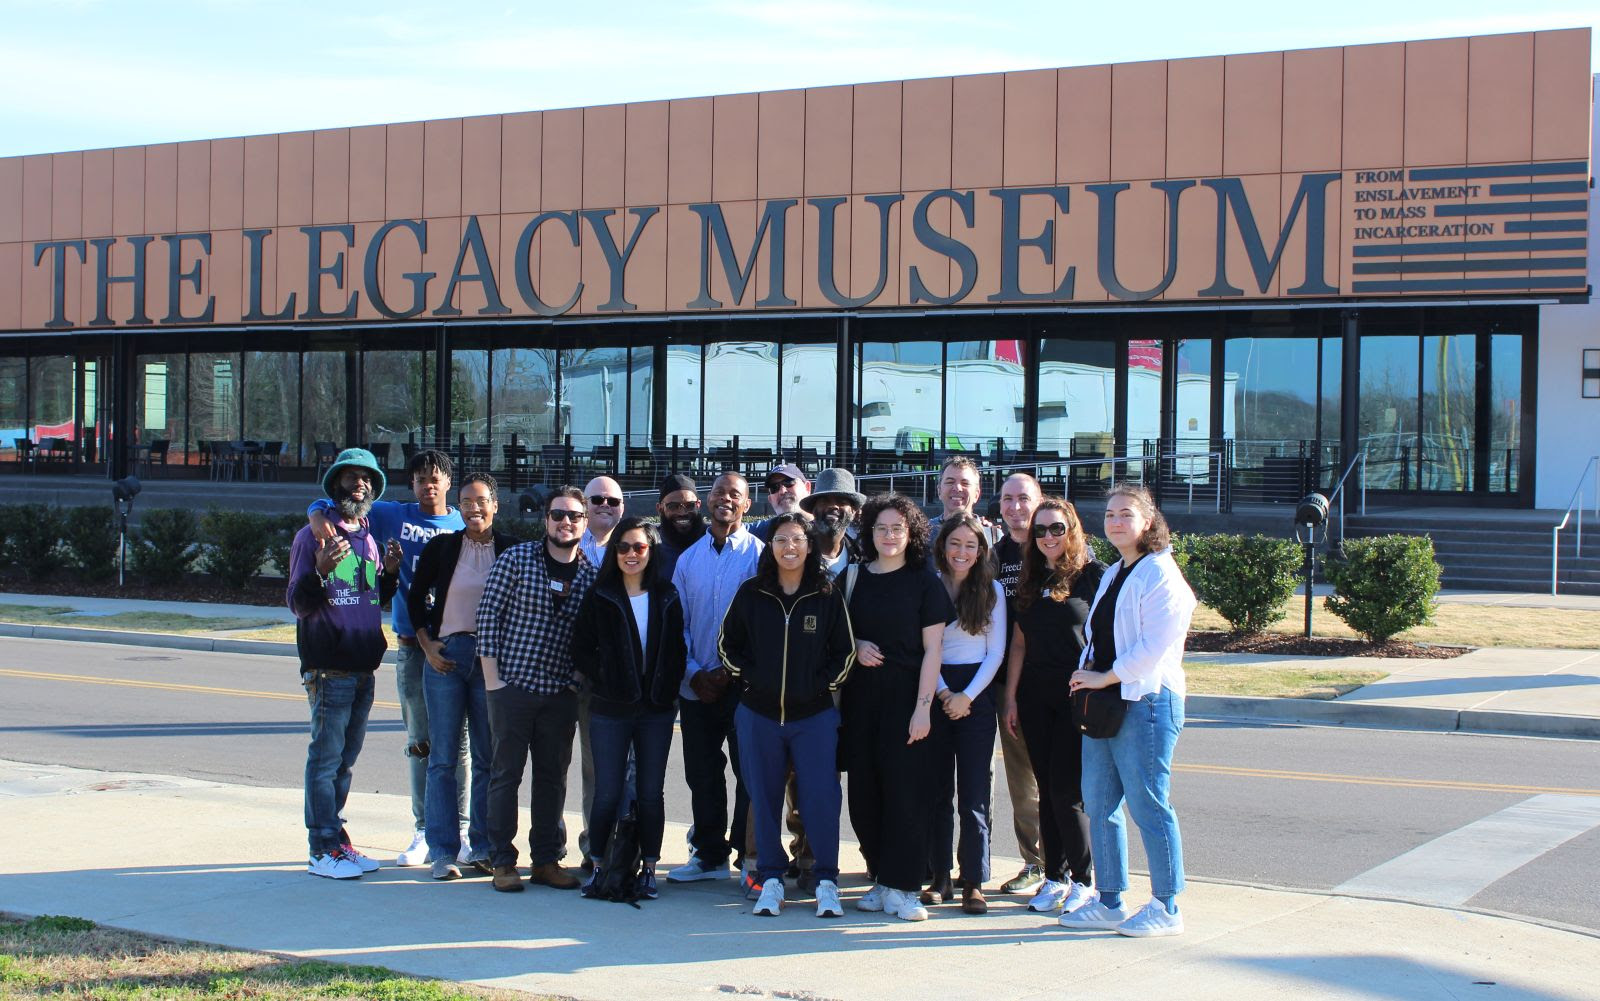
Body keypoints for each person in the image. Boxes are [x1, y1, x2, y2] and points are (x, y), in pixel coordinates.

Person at [307, 448, 465, 868]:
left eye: (435, 478)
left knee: (459, 744)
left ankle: (461, 827)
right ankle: (423, 830)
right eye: (420, 479)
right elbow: (336, 505)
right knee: (419, 742)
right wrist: (315, 513)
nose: (428, 485)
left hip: (456, 644)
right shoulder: (391, 515)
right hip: (412, 646)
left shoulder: (465, 521)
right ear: (411, 486)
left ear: (448, 483)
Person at [1059, 483, 1196, 938]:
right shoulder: (1118, 571)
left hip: (1148, 701)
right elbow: (1100, 636)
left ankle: (1166, 906)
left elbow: (1154, 648)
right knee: (1099, 803)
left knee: (1149, 805)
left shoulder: (1161, 574)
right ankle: (1109, 900)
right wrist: (1086, 673)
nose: (1116, 521)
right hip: (1106, 703)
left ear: (1148, 522)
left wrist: (1104, 675)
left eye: (1126, 514)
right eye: (1110, 514)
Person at [719, 513, 856, 919]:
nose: (789, 547)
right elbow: (728, 645)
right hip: (758, 715)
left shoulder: (827, 594)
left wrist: (819, 688)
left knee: (820, 799)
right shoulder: (751, 593)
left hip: (813, 717)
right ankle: (771, 878)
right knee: (763, 798)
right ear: (771, 546)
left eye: (798, 539)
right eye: (781, 539)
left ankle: (827, 880)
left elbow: (844, 653)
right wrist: (751, 681)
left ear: (809, 546)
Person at [286, 448, 400, 879]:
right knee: (325, 759)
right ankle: (321, 848)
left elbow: (372, 600)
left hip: (362, 669)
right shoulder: (311, 537)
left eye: (367, 479)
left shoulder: (367, 537)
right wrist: (318, 568)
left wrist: (388, 573)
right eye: (352, 478)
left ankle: (337, 839)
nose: (361, 485)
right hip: (328, 668)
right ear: (336, 485)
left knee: (344, 762)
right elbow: (299, 603)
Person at [477, 486, 597, 893]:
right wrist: (494, 681)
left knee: (552, 779)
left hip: (560, 694)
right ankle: (502, 862)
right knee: (505, 775)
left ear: (584, 522)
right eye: (559, 514)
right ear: (546, 519)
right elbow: (488, 615)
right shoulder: (517, 559)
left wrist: (575, 682)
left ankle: (546, 860)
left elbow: (591, 638)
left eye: (575, 516)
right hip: (512, 687)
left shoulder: (589, 575)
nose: (567, 522)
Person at [844, 494, 952, 922]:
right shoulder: (852, 578)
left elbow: (934, 650)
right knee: (865, 797)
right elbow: (834, 638)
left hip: (908, 702)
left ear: (911, 534)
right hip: (860, 704)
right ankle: (883, 880)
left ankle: (905, 888)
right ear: (869, 533)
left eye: (897, 529)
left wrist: (923, 708)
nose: (889, 536)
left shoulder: (924, 582)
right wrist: (856, 645)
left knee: (906, 797)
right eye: (881, 528)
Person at [406, 473, 518, 880]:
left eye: (481, 500)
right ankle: (443, 852)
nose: (473, 508)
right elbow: (414, 599)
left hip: (492, 662)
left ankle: (484, 848)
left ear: (495, 504)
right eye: (466, 501)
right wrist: (426, 644)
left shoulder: (511, 550)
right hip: (447, 659)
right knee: (443, 759)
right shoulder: (442, 547)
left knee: (489, 759)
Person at [570, 517, 687, 901]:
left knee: (651, 793)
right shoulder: (600, 594)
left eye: (639, 547)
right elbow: (581, 648)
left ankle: (649, 868)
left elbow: (676, 650)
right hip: (609, 709)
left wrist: (665, 690)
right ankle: (600, 866)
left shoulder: (667, 594)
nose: (631, 554)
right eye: (623, 547)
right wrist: (606, 677)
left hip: (655, 711)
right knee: (607, 791)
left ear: (651, 551)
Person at [1001, 497, 1104, 915]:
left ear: (1072, 529)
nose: (1047, 536)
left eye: (1056, 528)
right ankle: (1054, 877)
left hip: (1074, 697)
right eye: (1040, 530)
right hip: (1033, 697)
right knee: (1046, 790)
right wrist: (1009, 697)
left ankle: (1083, 879)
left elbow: (1105, 635)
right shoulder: (1030, 576)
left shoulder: (1092, 576)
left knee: (1068, 791)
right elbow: (1020, 641)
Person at [668, 472, 763, 883]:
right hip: (697, 687)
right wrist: (694, 672)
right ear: (708, 501)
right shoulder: (689, 559)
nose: (726, 499)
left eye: (735, 494)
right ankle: (708, 855)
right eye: (719, 492)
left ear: (747, 505)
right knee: (702, 772)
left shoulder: (760, 555)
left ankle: (748, 858)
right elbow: (679, 623)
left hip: (743, 687)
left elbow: (762, 623)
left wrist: (730, 671)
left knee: (748, 772)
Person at [925, 515, 1007, 914]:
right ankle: (939, 876)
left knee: (973, 794)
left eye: (970, 545)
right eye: (954, 544)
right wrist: (942, 692)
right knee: (937, 792)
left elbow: (996, 652)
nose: (962, 552)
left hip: (976, 693)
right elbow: (927, 648)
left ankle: (973, 880)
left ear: (981, 551)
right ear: (943, 546)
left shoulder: (991, 591)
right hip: (936, 689)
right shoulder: (930, 585)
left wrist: (967, 696)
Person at [991, 471, 1048, 894]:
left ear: (1039, 500)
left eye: (1023, 498)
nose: (1015, 507)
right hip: (1007, 681)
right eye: (1008, 499)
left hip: (1056, 680)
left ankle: (1067, 862)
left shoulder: (1060, 550)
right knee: (1022, 779)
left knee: (1061, 778)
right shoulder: (995, 555)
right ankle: (1035, 861)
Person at [576, 472, 627, 867]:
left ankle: (603, 848)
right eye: (598, 501)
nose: (605, 507)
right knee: (554, 768)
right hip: (558, 678)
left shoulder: (632, 552)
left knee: (603, 769)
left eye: (613, 501)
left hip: (609, 683)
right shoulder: (565, 547)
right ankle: (557, 847)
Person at [798, 468, 864, 576]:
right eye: (824, 501)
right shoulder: (796, 551)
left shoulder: (861, 557)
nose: (833, 506)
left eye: (841, 501)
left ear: (853, 512)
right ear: (813, 510)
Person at [927, 456, 1000, 544]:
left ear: (976, 494)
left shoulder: (993, 537)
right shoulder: (923, 533)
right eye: (950, 482)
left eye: (965, 483)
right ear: (939, 491)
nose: (957, 488)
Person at [654, 473, 705, 580]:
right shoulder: (649, 543)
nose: (682, 512)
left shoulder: (713, 538)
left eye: (690, 505)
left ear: (698, 505)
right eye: (673, 506)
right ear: (660, 508)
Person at [752, 464, 810, 544]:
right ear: (770, 499)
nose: (782, 491)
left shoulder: (826, 529)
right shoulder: (758, 532)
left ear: (807, 487)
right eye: (774, 487)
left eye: (789, 482)